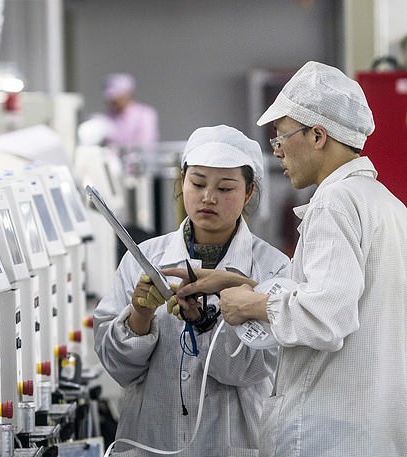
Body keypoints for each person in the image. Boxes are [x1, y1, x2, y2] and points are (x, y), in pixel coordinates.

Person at [200, 61, 407, 456]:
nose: (277, 151)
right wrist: (243, 287)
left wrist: (255, 305)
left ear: (317, 135)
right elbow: (348, 299)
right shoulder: (388, 205)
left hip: (332, 433)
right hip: (375, 430)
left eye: (281, 137)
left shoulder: (335, 202)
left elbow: (326, 318)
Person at [93, 124, 290, 456]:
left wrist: (203, 322)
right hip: (151, 440)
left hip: (234, 444)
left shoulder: (273, 269)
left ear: (248, 193)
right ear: (181, 183)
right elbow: (118, 369)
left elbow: (252, 370)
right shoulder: (143, 260)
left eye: (225, 188)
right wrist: (140, 316)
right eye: (197, 183)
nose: (208, 197)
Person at [95, 73, 159, 152]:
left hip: (139, 163)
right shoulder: (104, 118)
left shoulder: (144, 115)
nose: (112, 101)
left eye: (116, 97)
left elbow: (145, 145)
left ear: (127, 94)